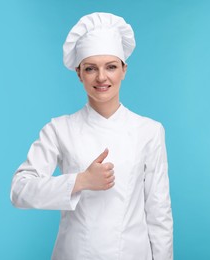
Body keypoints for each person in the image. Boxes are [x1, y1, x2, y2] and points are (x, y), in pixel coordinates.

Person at [10, 12, 173, 260]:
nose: (101, 77)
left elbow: (159, 213)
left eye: (111, 66)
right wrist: (81, 181)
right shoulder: (59, 129)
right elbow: (20, 191)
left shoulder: (149, 131)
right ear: (79, 73)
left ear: (123, 70)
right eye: (90, 68)